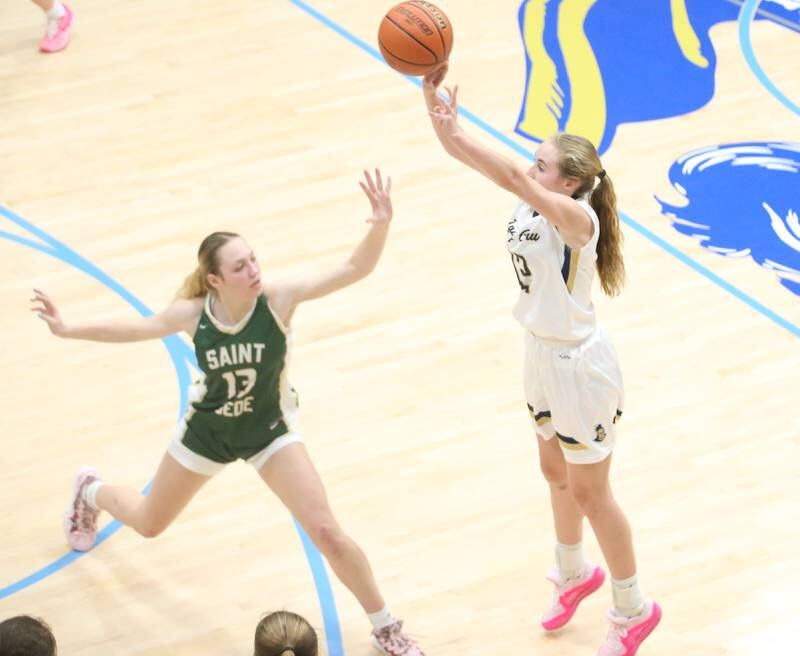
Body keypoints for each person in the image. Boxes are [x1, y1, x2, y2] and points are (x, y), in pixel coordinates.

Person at [31, 170, 425, 656]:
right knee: (151, 524)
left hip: (268, 431)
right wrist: (68, 329)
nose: (253, 270)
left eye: (254, 259)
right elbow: (138, 328)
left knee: (327, 531)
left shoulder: (279, 298)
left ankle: (385, 626)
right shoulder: (195, 313)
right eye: (239, 267)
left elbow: (352, 270)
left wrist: (379, 226)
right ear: (214, 279)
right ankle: (90, 491)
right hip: (209, 432)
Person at [422, 64, 661, 655]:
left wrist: (472, 144)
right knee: (554, 474)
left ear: (572, 183)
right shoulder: (538, 200)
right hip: (539, 354)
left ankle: (634, 608)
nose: (533, 169)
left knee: (592, 495)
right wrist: (442, 122)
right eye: (534, 161)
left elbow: (508, 176)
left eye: (542, 165)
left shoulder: (579, 219)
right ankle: (575, 574)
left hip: (581, 368)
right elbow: (484, 164)